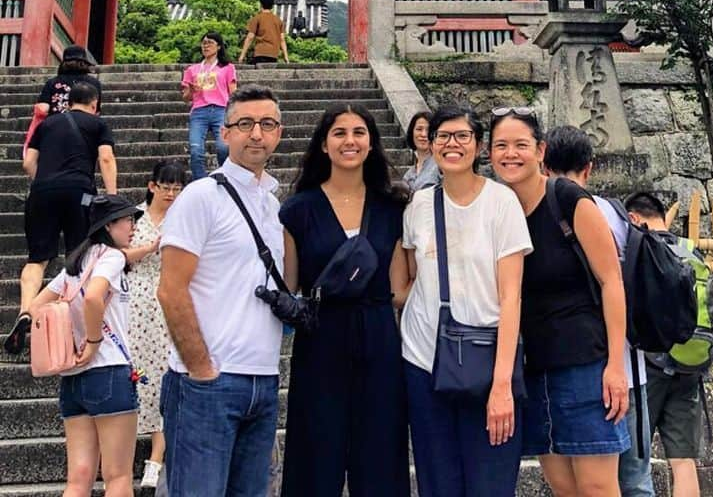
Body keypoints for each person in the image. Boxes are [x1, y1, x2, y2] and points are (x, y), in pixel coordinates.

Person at [489, 108, 629, 497]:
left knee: (597, 488)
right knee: (564, 488)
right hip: (533, 369)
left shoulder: (567, 198)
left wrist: (616, 366)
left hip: (585, 365)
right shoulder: (498, 208)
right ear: (489, 154)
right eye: (501, 145)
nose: (510, 154)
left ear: (541, 151)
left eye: (521, 145)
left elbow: (611, 281)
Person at [157, 87, 285, 497]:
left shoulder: (275, 205)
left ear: (279, 133)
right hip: (209, 382)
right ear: (224, 133)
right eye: (244, 124)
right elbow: (170, 289)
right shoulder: (200, 196)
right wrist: (201, 367)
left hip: (262, 381)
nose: (256, 134)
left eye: (267, 124)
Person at [400, 103, 532, 497]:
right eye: (443, 136)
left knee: (490, 484)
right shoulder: (419, 205)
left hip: (488, 362)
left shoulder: (501, 203)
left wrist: (502, 384)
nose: (452, 144)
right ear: (431, 143)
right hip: (424, 360)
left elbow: (512, 297)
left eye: (462, 136)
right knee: (436, 483)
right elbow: (407, 277)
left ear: (479, 146)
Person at [278, 104, 411, 496]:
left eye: (358, 132)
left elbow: (398, 289)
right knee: (314, 454)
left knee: (382, 454)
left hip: (379, 337)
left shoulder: (393, 208)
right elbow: (290, 285)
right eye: (339, 133)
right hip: (321, 339)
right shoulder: (297, 210)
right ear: (323, 144)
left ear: (372, 143)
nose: (349, 141)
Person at [543, 125, 654, 497]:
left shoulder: (568, 209)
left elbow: (610, 283)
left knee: (598, 484)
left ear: (542, 161)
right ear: (589, 167)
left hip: (598, 365)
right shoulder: (615, 213)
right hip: (624, 362)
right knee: (631, 478)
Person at [27, 194, 142, 497]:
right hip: (108, 370)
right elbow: (94, 296)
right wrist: (93, 341)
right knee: (118, 476)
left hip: (72, 377)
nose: (133, 226)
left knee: (78, 478)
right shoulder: (112, 257)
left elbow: (36, 306)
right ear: (109, 225)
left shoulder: (75, 263)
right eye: (127, 220)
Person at [5, 80, 118, 355]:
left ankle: (25, 311)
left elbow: (27, 163)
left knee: (37, 259)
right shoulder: (97, 124)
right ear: (95, 104)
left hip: (42, 191)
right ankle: (71, 323)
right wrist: (112, 197)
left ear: (68, 103)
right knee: (78, 256)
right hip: (79, 192)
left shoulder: (47, 125)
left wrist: (45, 183)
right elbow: (105, 159)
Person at [626, 192, 704, 497]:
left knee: (636, 460)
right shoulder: (690, 251)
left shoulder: (644, 251)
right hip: (692, 363)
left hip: (651, 365)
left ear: (634, 218)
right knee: (683, 461)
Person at [124, 160, 186, 492]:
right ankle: (123, 452)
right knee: (134, 373)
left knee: (164, 376)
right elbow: (117, 254)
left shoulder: (185, 217)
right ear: (152, 186)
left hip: (169, 301)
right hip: (135, 302)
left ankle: (156, 460)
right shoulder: (133, 215)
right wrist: (149, 248)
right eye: (166, 187)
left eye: (178, 189)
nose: (172, 194)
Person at [24, 44, 104, 157]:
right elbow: (96, 112)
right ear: (84, 62)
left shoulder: (52, 82)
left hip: (56, 128)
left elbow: (42, 109)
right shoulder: (94, 83)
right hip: (84, 130)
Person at [180, 32, 238, 181]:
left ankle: (226, 178)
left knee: (223, 147)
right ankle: (201, 182)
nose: (206, 46)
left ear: (218, 46)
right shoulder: (192, 70)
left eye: (210, 43)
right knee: (195, 149)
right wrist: (191, 90)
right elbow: (186, 98)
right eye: (203, 43)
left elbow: (233, 92)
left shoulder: (227, 67)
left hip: (220, 109)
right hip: (199, 111)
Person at [238, 0, 289, 65]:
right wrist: (286, 57)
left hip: (260, 52)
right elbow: (282, 39)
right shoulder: (278, 20)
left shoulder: (257, 18)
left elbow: (250, 37)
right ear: (272, 6)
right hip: (273, 54)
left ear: (261, 5)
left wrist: (242, 55)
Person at [402, 109, 439, 191]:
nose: (423, 134)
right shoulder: (408, 175)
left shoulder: (441, 165)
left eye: (428, 130)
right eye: (419, 129)